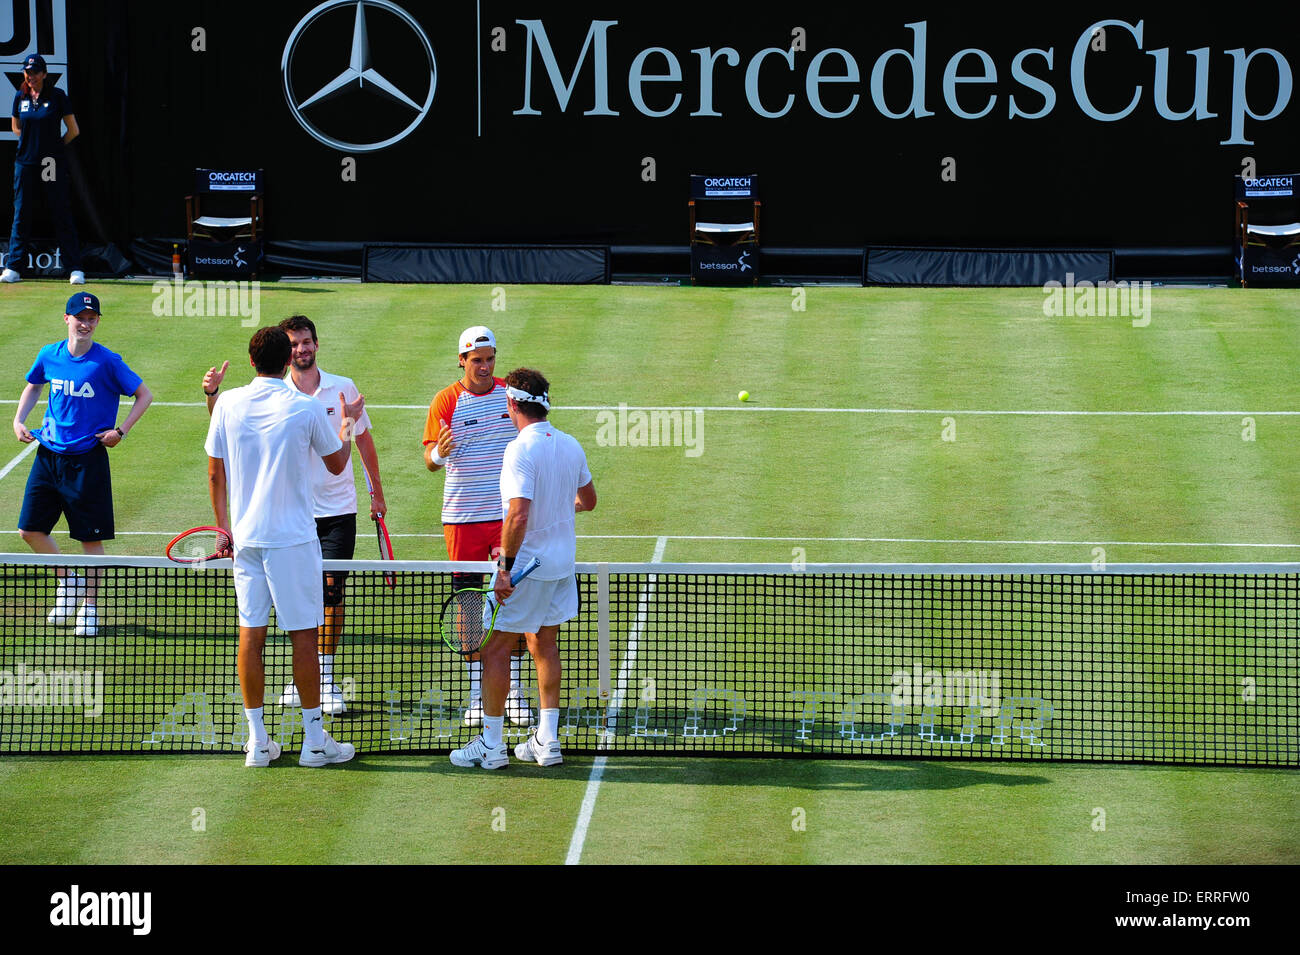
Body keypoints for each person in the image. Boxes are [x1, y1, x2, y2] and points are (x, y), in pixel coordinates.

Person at [202, 315, 386, 715]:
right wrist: (347, 420)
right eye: (295, 344)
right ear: (286, 357)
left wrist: (377, 491)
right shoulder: (298, 405)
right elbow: (337, 460)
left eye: (307, 342)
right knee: (302, 624)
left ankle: (283, 713)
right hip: (294, 530)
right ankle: (314, 734)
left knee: (320, 601)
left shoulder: (335, 390)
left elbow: (221, 454)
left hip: (319, 516)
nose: (302, 349)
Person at [450, 368, 596, 770]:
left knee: (495, 649)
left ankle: (492, 745)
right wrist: (556, 513)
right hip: (561, 567)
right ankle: (547, 742)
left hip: (527, 569)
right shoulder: (570, 444)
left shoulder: (519, 449)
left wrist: (504, 569)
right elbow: (588, 500)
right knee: (544, 645)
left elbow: (517, 515)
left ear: (511, 403)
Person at [12, 292, 152, 637]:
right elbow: (33, 385)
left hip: (88, 460)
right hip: (48, 456)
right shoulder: (49, 354)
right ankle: (68, 581)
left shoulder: (107, 361)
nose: (86, 323)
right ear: (67, 319)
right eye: (80, 317)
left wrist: (121, 430)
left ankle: (89, 606)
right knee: (29, 531)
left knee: (90, 540)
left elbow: (144, 394)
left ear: (97, 321)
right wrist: (19, 420)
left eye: (92, 318)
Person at [424, 326, 533, 728]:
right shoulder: (445, 401)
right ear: (462, 361)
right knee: (469, 605)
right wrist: (439, 451)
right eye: (477, 360)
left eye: (489, 359)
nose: (485, 367)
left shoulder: (510, 396)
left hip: (505, 519)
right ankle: (476, 694)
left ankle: (516, 694)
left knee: (512, 600)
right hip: (462, 520)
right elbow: (430, 462)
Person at [1, 54, 84, 285]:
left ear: (44, 74)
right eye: (28, 72)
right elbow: (16, 127)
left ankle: (75, 268)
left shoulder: (57, 96)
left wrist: (54, 148)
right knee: (21, 213)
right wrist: (32, 144)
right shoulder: (20, 96)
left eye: (36, 72)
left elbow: (73, 130)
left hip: (50, 163)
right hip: (25, 163)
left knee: (60, 211)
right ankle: (13, 268)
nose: (31, 76)